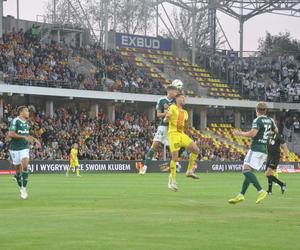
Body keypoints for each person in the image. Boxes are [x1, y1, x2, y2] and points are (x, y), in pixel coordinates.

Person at [229, 102, 275, 204]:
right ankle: (241, 195)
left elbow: (253, 134)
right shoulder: (270, 120)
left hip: (255, 149)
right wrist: (266, 136)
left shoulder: (258, 120)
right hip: (264, 150)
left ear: (257, 110)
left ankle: (261, 191)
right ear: (265, 110)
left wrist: (240, 133)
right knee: (248, 172)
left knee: (245, 171)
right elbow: (275, 131)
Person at [139, 85, 179, 175]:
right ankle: (144, 167)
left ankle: (175, 166)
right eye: (175, 91)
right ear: (169, 92)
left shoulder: (176, 101)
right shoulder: (161, 100)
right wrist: (165, 114)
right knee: (154, 146)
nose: (176, 93)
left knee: (174, 147)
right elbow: (158, 115)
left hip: (172, 127)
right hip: (163, 126)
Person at [164, 93, 199, 191]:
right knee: (175, 157)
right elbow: (168, 117)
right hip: (173, 134)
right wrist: (167, 117)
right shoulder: (173, 107)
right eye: (182, 98)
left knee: (196, 149)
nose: (184, 99)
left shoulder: (185, 112)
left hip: (181, 134)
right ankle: (173, 181)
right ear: (177, 98)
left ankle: (189, 171)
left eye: (184, 98)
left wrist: (188, 129)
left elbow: (186, 124)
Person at [8, 106, 41, 199]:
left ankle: (24, 188)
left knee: (25, 166)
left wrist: (35, 139)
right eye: (26, 111)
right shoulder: (15, 121)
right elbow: (10, 134)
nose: (28, 112)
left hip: (24, 147)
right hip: (14, 148)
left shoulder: (27, 123)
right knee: (18, 172)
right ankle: (20, 187)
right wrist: (24, 137)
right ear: (21, 112)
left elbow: (26, 135)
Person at [265, 128, 288, 195]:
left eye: (270, 130)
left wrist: (286, 156)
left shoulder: (278, 136)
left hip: (275, 157)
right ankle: (270, 191)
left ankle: (281, 184)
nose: (269, 131)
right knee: (269, 175)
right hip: (269, 157)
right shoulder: (268, 136)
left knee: (267, 173)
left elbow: (285, 147)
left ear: (273, 130)